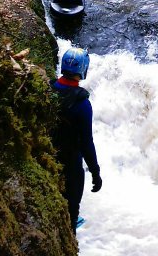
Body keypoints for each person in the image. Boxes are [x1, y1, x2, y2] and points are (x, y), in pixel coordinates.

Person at [51, 47, 102, 234]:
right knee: (72, 209)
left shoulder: (49, 88)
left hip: (49, 153)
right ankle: (70, 233)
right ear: (83, 70)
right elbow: (87, 142)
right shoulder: (82, 104)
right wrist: (95, 172)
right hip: (71, 162)